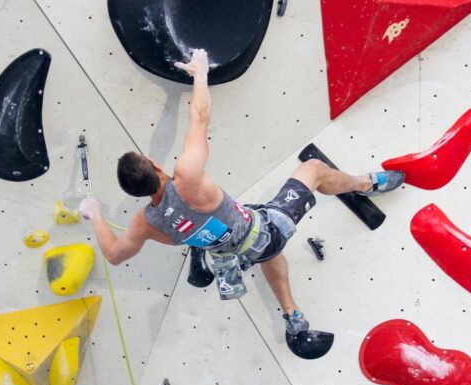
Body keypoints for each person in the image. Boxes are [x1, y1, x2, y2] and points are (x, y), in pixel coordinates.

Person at [79, 49, 405, 358]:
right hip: (264, 229)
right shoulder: (187, 176)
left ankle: (292, 315)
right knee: (314, 171)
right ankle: (365, 184)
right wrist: (200, 74)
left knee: (264, 250)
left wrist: (95, 213)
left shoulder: (146, 222)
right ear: (156, 165)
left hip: (234, 252)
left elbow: (114, 254)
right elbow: (200, 117)